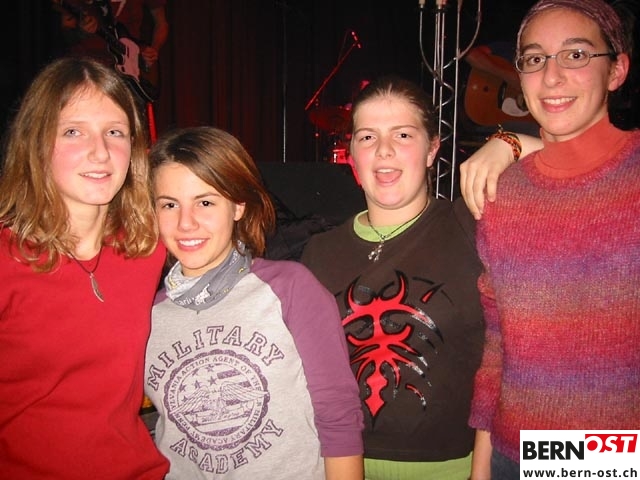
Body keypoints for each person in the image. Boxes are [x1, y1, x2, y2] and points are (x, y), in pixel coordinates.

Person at [463, 1, 640, 478]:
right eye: (535, 58)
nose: (552, 76)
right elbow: (498, 344)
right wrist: (482, 469)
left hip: (620, 458)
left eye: (576, 55)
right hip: (513, 456)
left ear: (617, 70)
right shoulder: (502, 193)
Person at [143, 126, 365, 479]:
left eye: (205, 202)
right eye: (169, 204)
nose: (186, 223)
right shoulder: (145, 314)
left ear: (238, 206)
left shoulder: (291, 289)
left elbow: (338, 416)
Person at [301, 76, 485, 480]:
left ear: (432, 149)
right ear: (351, 153)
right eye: (367, 137)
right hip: (338, 465)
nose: (383, 150)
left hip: (451, 468)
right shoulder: (318, 252)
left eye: (402, 134)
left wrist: (509, 144)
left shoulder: (470, 227)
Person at [0, 57, 168, 478]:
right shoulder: (6, 259)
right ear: (37, 143)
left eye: (115, 132)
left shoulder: (147, 247)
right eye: (74, 131)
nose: (100, 152)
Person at [51, 0, 169, 109]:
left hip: (130, 72)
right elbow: (64, 35)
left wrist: (153, 50)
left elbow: (161, 24)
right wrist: (80, 31)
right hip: (87, 71)